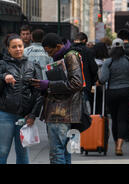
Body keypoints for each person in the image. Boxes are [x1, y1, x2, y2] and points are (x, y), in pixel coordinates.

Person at [31, 33, 84, 164]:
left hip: (60, 113)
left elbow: (76, 83)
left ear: (59, 46)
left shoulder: (70, 56)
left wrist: (49, 85)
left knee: (57, 152)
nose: (49, 55)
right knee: (64, 151)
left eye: (50, 51)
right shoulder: (66, 55)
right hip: (63, 111)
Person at [0, 35, 43, 164]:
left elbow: (39, 93)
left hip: (24, 116)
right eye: (14, 47)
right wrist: (3, 76)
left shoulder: (33, 66)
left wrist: (33, 114)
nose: (18, 49)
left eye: (20, 46)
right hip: (5, 115)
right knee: (2, 151)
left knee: (23, 152)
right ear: (8, 49)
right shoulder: (2, 65)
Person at [97, 38, 129, 156]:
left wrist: (99, 81)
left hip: (112, 93)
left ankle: (116, 143)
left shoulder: (108, 62)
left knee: (115, 119)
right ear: (123, 48)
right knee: (123, 119)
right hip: (126, 92)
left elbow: (103, 79)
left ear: (112, 48)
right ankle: (120, 147)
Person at [71, 32, 98, 113]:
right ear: (84, 40)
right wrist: (94, 79)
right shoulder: (87, 51)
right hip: (84, 83)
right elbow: (93, 68)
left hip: (71, 83)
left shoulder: (69, 50)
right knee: (84, 107)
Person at [93, 42, 109, 115]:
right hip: (105, 87)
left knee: (94, 106)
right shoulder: (108, 62)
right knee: (103, 107)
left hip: (94, 87)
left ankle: (95, 124)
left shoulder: (92, 61)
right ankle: (103, 124)